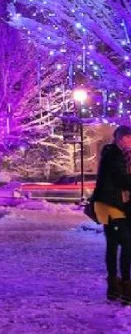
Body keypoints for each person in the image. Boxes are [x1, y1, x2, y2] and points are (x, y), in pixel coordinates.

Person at [92, 125, 131, 303]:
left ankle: (115, 287)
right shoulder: (115, 154)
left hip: (111, 205)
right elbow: (121, 179)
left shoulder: (112, 153)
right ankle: (123, 286)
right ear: (121, 138)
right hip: (111, 205)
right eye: (129, 139)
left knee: (114, 245)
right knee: (126, 244)